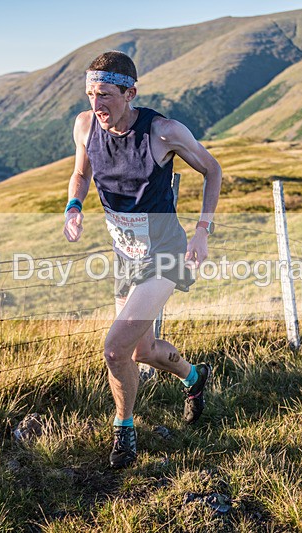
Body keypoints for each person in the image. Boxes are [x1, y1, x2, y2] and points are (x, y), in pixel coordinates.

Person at [63, 51, 222, 469]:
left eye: (107, 96)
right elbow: (82, 173)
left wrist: (203, 232)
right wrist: (74, 205)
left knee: (115, 349)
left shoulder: (163, 132)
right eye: (91, 94)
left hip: (166, 254)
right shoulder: (84, 126)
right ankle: (194, 376)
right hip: (125, 256)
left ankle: (124, 429)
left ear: (130, 93)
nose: (97, 105)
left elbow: (212, 170)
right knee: (141, 350)